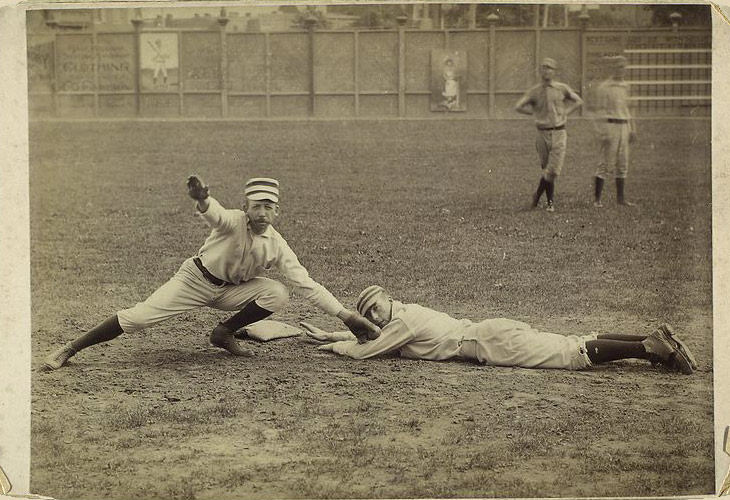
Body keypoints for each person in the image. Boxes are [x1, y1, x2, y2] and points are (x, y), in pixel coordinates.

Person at [43, 176, 380, 370]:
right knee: (140, 318)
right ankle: (71, 348)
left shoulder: (276, 245)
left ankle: (223, 333)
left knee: (277, 292)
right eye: (256, 206)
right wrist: (203, 199)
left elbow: (308, 285)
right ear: (245, 206)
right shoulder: (232, 220)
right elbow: (213, 213)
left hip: (231, 291)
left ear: (277, 211)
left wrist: (348, 317)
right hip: (194, 280)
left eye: (269, 207)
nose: (262, 212)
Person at [301, 285, 697, 375]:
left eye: (375, 307)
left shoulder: (402, 321)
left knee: (568, 354)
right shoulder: (403, 315)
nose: (375, 316)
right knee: (568, 343)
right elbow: (377, 339)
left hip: (486, 341)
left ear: (388, 299)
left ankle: (650, 348)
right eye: (370, 313)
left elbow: (369, 350)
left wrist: (339, 347)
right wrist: (333, 333)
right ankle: (649, 339)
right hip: (488, 334)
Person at [514, 58, 584, 213]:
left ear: (554, 71)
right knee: (547, 169)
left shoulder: (561, 88)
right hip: (542, 134)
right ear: (540, 71)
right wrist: (534, 114)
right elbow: (518, 106)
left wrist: (566, 112)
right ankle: (550, 203)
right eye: (544, 68)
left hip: (559, 132)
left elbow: (578, 101)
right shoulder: (535, 91)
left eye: (550, 68)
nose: (547, 71)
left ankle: (536, 197)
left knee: (552, 170)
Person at [592, 55, 637, 207]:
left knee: (623, 162)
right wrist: (602, 132)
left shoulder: (627, 86)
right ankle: (597, 199)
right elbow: (599, 111)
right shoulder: (605, 87)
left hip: (624, 125)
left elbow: (629, 109)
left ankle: (621, 198)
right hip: (610, 126)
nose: (620, 70)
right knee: (605, 163)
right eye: (617, 66)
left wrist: (632, 128)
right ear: (612, 68)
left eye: (622, 67)